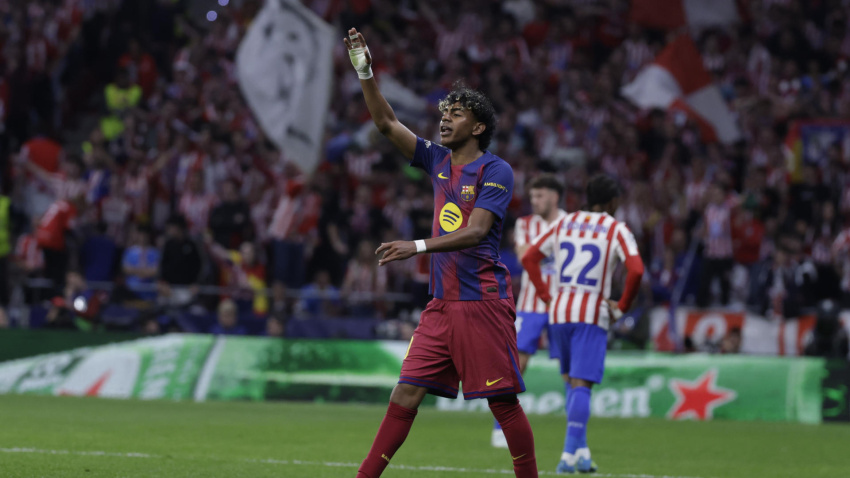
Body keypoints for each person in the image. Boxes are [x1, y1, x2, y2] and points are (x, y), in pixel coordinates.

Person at [346, 28, 537, 478]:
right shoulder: (437, 161)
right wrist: (365, 72)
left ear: (479, 126)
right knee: (404, 394)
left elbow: (476, 231)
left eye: (457, 114)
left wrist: (416, 246)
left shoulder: (497, 170)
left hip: (482, 303)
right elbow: (387, 125)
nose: (445, 120)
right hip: (441, 307)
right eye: (444, 113)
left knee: (501, 402)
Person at [522, 175, 644, 474]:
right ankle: (566, 456)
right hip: (591, 312)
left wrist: (546, 295)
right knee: (582, 386)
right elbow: (637, 270)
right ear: (613, 202)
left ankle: (582, 452)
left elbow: (529, 258)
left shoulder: (564, 223)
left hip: (560, 311)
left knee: (570, 383)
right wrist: (622, 306)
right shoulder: (616, 228)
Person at [492, 174, 567, 448]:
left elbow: (532, 252)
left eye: (540, 196)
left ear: (554, 197)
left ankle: (573, 431)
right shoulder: (525, 224)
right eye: (532, 196)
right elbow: (524, 256)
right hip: (531, 305)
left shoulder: (571, 222)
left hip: (563, 305)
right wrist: (557, 248)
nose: (534, 201)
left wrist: (539, 251)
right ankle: (501, 426)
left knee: (569, 368)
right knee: (517, 364)